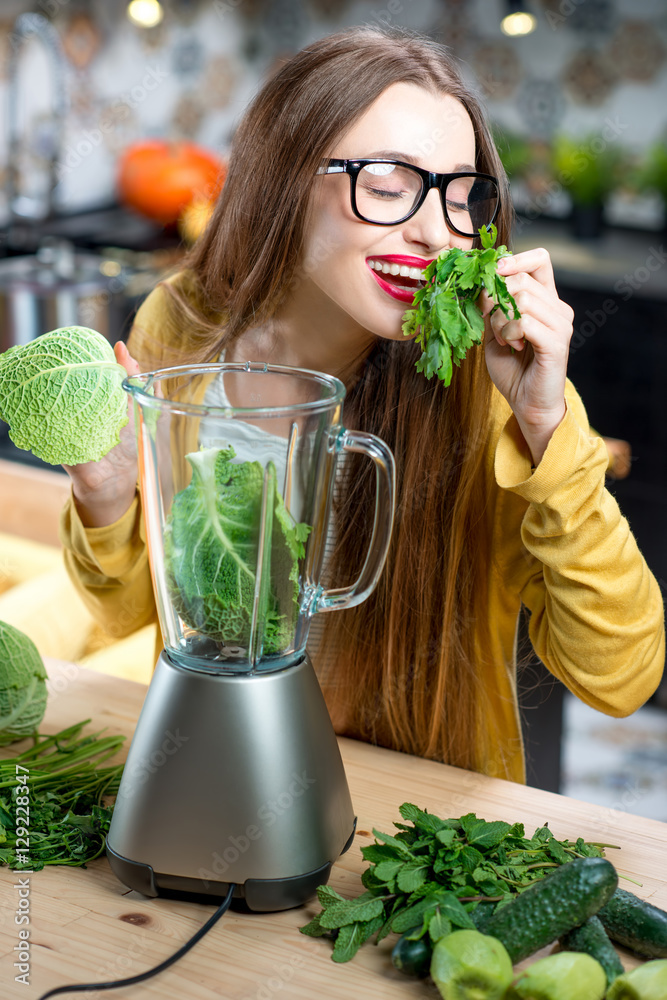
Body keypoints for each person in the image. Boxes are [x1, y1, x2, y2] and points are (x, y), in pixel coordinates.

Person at [60, 25, 665, 784]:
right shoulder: (181, 326)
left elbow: (620, 681)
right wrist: (107, 498)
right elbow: (127, 615)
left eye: (458, 196)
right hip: (218, 778)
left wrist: (547, 430)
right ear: (283, 175)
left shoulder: (488, 388)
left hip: (414, 834)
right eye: (385, 185)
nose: (432, 232)